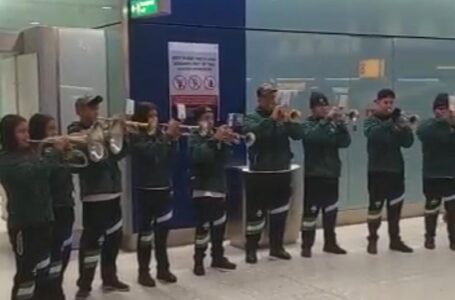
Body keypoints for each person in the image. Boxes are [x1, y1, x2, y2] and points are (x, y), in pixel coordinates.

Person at [68, 95, 130, 300]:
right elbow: (89, 157)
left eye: (97, 107)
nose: (95, 111)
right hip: (94, 194)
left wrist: (121, 133)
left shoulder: (104, 129)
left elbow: (119, 154)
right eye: (90, 108)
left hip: (113, 191)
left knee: (114, 237)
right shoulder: (74, 131)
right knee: (91, 242)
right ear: (79, 111)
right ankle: (84, 283)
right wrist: (101, 135)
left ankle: (110, 277)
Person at [0, 114, 68, 300]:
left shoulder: (31, 153)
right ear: (9, 134)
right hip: (24, 225)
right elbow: (32, 175)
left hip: (44, 220)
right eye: (21, 131)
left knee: (43, 269)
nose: (26, 135)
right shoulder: (5, 160)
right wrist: (53, 152)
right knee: (26, 275)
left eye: (27, 131)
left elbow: (52, 176)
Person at [242, 83, 302, 263]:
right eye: (268, 98)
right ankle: (251, 249)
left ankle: (277, 247)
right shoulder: (251, 118)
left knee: (280, 212)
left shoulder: (282, 117)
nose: (272, 101)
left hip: (281, 171)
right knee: (256, 215)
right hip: (260, 173)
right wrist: (271, 120)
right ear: (259, 99)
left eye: (273, 97)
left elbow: (298, 135)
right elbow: (253, 134)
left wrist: (289, 121)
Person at [130, 102, 180, 287]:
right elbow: (151, 153)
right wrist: (166, 137)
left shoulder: (160, 133)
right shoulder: (136, 135)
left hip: (164, 188)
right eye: (150, 116)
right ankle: (143, 272)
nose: (154, 119)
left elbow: (170, 156)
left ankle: (163, 268)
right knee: (145, 234)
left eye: (156, 115)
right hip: (146, 189)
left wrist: (173, 139)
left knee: (162, 232)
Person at [29, 113, 75, 300]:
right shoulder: (38, 154)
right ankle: (47, 291)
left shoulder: (55, 153)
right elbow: (48, 178)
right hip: (51, 210)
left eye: (56, 128)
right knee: (51, 254)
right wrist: (57, 154)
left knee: (64, 252)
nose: (55, 133)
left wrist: (66, 155)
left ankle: (56, 287)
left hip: (66, 205)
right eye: (50, 129)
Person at [300, 92, 351, 258]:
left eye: (325, 106)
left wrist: (342, 125)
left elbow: (345, 143)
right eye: (320, 106)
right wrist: (326, 121)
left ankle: (330, 243)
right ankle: (306, 245)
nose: (324, 109)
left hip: (331, 174)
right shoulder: (307, 125)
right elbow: (313, 137)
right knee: (310, 213)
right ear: (312, 109)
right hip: (314, 175)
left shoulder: (331, 125)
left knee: (330, 211)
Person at [364, 89, 414, 255]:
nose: (389, 106)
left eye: (391, 103)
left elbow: (408, 143)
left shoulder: (397, 122)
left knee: (395, 208)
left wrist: (405, 128)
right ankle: (372, 239)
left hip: (395, 171)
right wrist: (391, 123)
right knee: (375, 208)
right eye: (385, 103)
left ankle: (395, 240)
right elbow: (374, 136)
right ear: (377, 103)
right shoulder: (371, 121)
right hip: (377, 171)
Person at [189, 106, 237, 276]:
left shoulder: (214, 137)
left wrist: (225, 142)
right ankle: (198, 260)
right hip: (202, 188)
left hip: (219, 187)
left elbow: (224, 159)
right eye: (206, 118)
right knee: (203, 228)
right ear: (198, 121)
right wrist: (213, 141)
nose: (210, 121)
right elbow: (199, 157)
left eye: (211, 118)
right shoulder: (194, 137)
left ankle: (218, 257)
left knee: (219, 226)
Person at [417, 93, 455, 250]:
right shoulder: (427, 125)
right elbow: (423, 134)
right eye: (439, 108)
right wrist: (444, 126)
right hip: (431, 175)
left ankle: (453, 239)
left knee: (452, 210)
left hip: (451, 175)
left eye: (446, 108)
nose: (442, 112)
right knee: (431, 208)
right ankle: (429, 238)